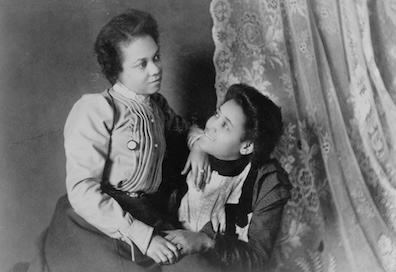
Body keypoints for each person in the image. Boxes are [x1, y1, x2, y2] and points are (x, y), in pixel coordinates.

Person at [27, 9, 209, 272]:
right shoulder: (97, 109)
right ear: (117, 70)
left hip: (145, 213)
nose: (156, 69)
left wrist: (199, 145)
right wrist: (144, 238)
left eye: (156, 57)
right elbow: (83, 190)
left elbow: (184, 130)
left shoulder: (157, 105)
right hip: (97, 224)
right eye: (142, 64)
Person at [164, 83, 292, 272]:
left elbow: (256, 260)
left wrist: (206, 241)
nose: (212, 125)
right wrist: (198, 146)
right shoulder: (197, 142)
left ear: (247, 146)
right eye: (217, 115)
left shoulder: (267, 182)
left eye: (225, 125)